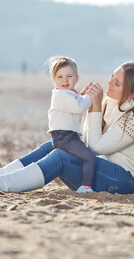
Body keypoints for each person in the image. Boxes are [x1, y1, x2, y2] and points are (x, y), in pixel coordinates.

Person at [0, 62, 134, 196]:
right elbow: (88, 144)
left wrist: (94, 107)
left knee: (61, 157)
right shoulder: (112, 103)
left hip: (128, 183)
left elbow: (96, 148)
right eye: (111, 76)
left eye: (116, 83)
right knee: (50, 146)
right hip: (105, 171)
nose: (109, 83)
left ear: (132, 94)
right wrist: (94, 107)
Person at [45, 55, 96, 193]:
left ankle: (59, 173)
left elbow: (75, 102)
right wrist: (90, 97)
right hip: (64, 137)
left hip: (66, 136)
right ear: (53, 80)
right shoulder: (61, 94)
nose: (65, 80)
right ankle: (85, 187)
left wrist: (82, 95)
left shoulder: (67, 93)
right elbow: (79, 106)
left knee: (78, 158)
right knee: (89, 158)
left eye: (69, 76)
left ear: (77, 79)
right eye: (60, 77)